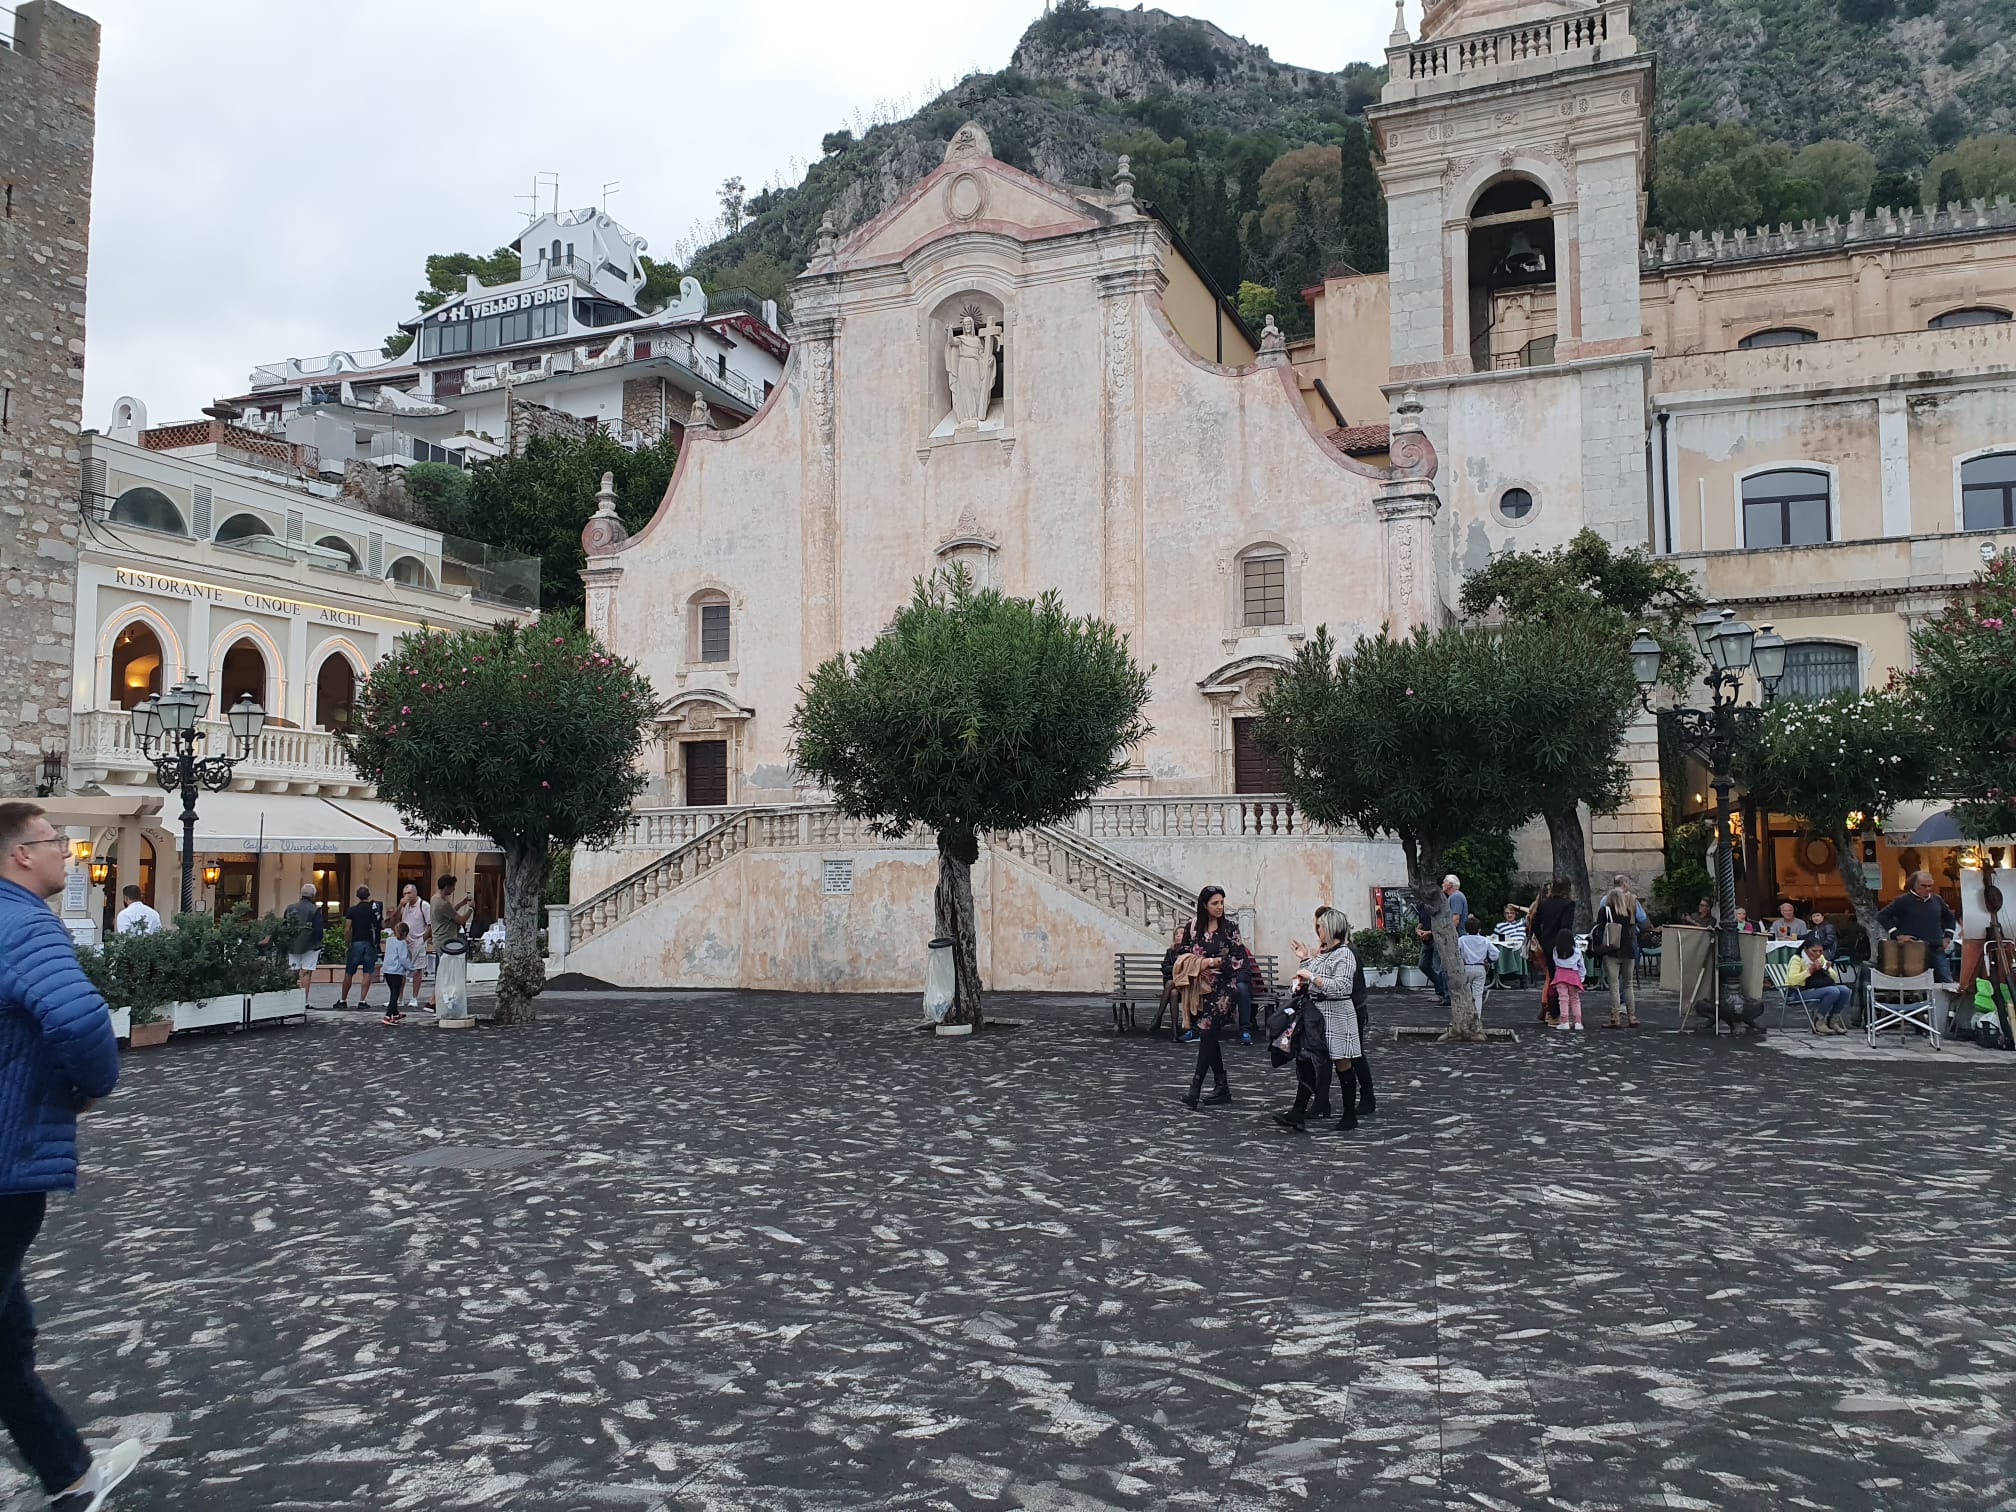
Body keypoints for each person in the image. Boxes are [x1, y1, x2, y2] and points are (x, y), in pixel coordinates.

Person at [0, 803, 146, 1509]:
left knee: (6, 1338)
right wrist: (91, 1089)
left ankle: (71, 1477)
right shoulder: (26, 926)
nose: (69, 853)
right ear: (20, 854)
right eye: (56, 841)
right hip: (6, 1157)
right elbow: (82, 1018)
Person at [1276, 907, 1363, 1132]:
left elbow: (1342, 986)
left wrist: (1312, 976)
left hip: (1337, 1015)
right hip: (1317, 1015)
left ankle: (1349, 1115)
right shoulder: (1324, 953)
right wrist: (1305, 961)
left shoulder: (1345, 954)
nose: (1318, 931)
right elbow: (1311, 977)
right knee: (1308, 1061)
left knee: (1343, 1063)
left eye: (1321, 927)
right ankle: (1298, 1112)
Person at [1178, 886, 1248, 1109]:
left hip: (1226, 988)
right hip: (1202, 988)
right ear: (1204, 905)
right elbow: (1182, 955)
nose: (1220, 907)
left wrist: (1217, 963)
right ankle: (1221, 1087)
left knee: (1207, 1031)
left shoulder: (1230, 929)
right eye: (1215, 903)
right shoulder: (1193, 928)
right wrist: (1202, 964)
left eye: (1222, 902)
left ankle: (1195, 1089)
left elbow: (1239, 960)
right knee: (1210, 1036)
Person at [1877, 870, 1960, 982]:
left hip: (1936, 948)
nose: (1927, 889)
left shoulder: (1937, 900)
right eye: (1923, 886)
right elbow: (1882, 916)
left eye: (1930, 886)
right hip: (1912, 949)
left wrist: (1948, 937)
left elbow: (1950, 917)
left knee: (1947, 981)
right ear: (1914, 885)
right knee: (1914, 982)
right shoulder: (1903, 900)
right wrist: (1897, 935)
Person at [1592, 874, 1648, 1030]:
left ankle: (1615, 1017)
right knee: (1628, 984)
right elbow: (1643, 921)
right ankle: (1632, 1016)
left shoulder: (1605, 908)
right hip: (1628, 947)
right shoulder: (1631, 906)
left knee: (1614, 984)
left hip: (1611, 949)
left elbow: (1599, 929)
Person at [1528, 879, 1576, 1024]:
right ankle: (1560, 1013)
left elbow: (1534, 922)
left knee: (1552, 978)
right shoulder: (1568, 904)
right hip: (1562, 945)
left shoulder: (1544, 904)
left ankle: (1552, 1013)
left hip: (1547, 943)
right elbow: (1566, 926)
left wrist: (1542, 939)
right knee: (1564, 979)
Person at [426, 875, 474, 1009]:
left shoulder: (435, 899)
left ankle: (432, 1001)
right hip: (447, 941)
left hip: (439, 939)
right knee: (447, 973)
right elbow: (461, 920)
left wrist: (462, 903)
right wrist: (471, 908)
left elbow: (450, 912)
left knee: (442, 971)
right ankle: (439, 1001)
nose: (453, 890)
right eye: (452, 887)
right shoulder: (443, 904)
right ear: (446, 887)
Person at [1787, 938, 1852, 1033]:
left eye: (1820, 951)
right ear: (1805, 949)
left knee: (1845, 990)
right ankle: (1819, 1022)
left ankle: (1832, 1020)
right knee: (1833, 991)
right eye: (1814, 951)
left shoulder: (1820, 958)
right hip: (1798, 992)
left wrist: (1826, 969)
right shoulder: (1797, 959)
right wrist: (1809, 971)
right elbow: (1792, 980)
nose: (1818, 954)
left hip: (1816, 988)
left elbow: (1834, 977)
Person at [335, 886, 382, 1010]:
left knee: (349, 972)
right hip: (370, 943)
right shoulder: (374, 911)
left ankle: (343, 1000)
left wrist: (346, 944)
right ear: (369, 895)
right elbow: (380, 926)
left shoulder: (352, 910)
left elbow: (347, 929)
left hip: (356, 942)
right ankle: (362, 1000)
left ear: (357, 895)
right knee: (367, 972)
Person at [279, 884, 324, 996]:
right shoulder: (315, 910)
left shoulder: (289, 908)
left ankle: (290, 997)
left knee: (293, 970)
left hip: (293, 944)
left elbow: (284, 926)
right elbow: (319, 931)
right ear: (313, 896)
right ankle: (303, 1000)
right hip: (310, 946)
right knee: (306, 973)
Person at [394, 883, 429, 1009]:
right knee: (401, 969)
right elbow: (395, 919)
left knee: (417, 970)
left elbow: (430, 924)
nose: (407, 896)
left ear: (415, 893)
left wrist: (422, 940)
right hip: (405, 941)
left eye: (409, 893)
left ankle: (414, 997)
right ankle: (399, 998)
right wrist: (400, 905)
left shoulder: (423, 905)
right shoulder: (405, 906)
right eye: (404, 894)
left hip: (418, 941)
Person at [1456, 918, 1493, 1024]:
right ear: (1479, 929)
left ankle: (1464, 1018)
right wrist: (1488, 960)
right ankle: (1477, 1019)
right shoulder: (1484, 940)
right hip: (1480, 967)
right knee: (1478, 994)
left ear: (1466, 928)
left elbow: (1456, 951)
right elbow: (1495, 953)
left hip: (1466, 967)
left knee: (1464, 994)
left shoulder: (1462, 939)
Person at [1550, 929, 1587, 1031]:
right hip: (1573, 977)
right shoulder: (1577, 952)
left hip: (1560, 977)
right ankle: (1578, 1022)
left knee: (1563, 999)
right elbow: (1581, 966)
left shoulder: (1555, 951)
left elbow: (1555, 961)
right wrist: (1582, 976)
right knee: (1575, 999)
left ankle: (1564, 1021)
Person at [380, 923, 416, 1027]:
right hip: (397, 971)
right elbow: (403, 958)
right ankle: (387, 1016)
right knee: (395, 994)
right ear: (405, 934)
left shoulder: (389, 941)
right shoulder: (402, 944)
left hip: (387, 970)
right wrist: (411, 968)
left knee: (393, 992)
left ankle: (395, 1013)